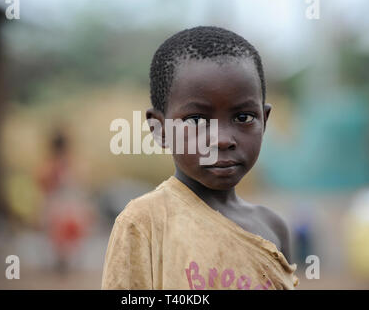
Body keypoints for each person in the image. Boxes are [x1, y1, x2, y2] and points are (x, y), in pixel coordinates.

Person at [101, 26, 298, 289]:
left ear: (264, 120)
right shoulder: (143, 223)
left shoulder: (273, 228)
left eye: (243, 117)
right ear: (160, 129)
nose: (223, 139)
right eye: (196, 120)